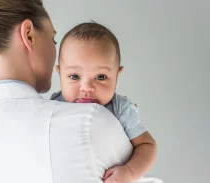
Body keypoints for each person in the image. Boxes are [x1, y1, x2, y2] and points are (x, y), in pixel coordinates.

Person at [0, 0, 159, 183]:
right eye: (53, 38)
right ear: (28, 35)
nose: (86, 87)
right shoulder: (89, 119)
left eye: (100, 76)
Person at [51, 22, 157, 183]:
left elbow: (148, 145)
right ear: (60, 73)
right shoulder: (55, 104)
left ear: (116, 75)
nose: (86, 87)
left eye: (100, 77)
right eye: (74, 76)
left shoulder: (120, 108)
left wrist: (129, 171)